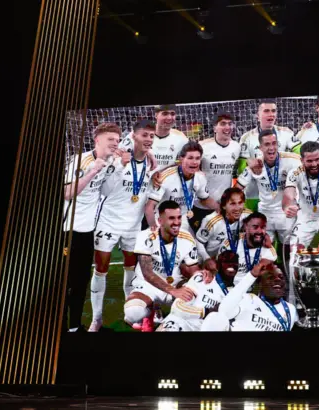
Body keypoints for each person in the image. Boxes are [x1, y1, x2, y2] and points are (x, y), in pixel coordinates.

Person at [88, 119, 157, 332]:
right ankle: (96, 319)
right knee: (101, 269)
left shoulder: (152, 165)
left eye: (151, 136)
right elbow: (104, 191)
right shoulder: (117, 158)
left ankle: (130, 313)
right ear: (133, 136)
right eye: (144, 135)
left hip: (133, 226)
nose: (148, 139)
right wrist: (120, 166)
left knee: (130, 269)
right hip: (108, 221)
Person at [63, 123, 122, 332]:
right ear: (97, 140)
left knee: (81, 282)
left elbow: (105, 191)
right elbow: (68, 193)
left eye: (117, 140)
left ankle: (75, 327)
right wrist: (92, 171)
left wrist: (115, 169)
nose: (115, 143)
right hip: (68, 232)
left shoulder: (109, 162)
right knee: (65, 284)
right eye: (110, 139)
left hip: (87, 231)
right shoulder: (81, 160)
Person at [124, 201, 208, 330]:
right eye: (171, 218)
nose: (177, 222)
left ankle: (168, 322)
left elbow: (193, 270)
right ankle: (152, 310)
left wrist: (201, 275)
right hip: (148, 286)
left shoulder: (187, 238)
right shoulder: (145, 237)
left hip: (175, 284)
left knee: (196, 300)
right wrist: (173, 291)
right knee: (133, 313)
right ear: (160, 221)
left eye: (179, 217)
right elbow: (148, 274)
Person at [236, 129, 302, 248]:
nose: (271, 147)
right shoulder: (255, 164)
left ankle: (285, 266)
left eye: (274, 143)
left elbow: (310, 171)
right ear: (260, 147)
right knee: (263, 249)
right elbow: (237, 189)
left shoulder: (292, 160)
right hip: (265, 214)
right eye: (267, 144)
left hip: (287, 213)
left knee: (288, 249)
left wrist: (299, 206)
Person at [200, 260, 298, 331]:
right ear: (260, 284)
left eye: (281, 277)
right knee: (214, 318)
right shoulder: (248, 300)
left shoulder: (290, 309)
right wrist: (252, 275)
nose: (277, 280)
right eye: (270, 277)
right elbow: (224, 311)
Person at [237, 99, 299, 211]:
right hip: (254, 193)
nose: (271, 114)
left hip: (282, 192)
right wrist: (248, 162)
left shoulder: (287, 133)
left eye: (273, 111)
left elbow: (299, 155)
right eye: (266, 111)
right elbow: (241, 167)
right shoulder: (247, 138)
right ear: (258, 115)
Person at [146, 141, 219, 233]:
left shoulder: (200, 177)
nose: (194, 162)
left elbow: (205, 199)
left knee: (195, 246)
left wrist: (220, 208)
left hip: (183, 219)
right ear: (181, 159)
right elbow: (149, 206)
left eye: (197, 158)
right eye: (190, 158)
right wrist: (154, 228)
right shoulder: (165, 177)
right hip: (163, 219)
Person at [157, 250, 238, 332]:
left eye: (235, 262)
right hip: (179, 323)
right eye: (226, 261)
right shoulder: (201, 278)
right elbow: (177, 307)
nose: (231, 265)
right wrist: (206, 312)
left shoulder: (235, 294)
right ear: (218, 265)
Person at [194, 111, 241, 230]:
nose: (227, 127)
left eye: (230, 124)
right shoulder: (203, 146)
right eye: (223, 124)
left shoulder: (236, 147)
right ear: (215, 128)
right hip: (202, 205)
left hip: (223, 205)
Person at [217, 212, 277, 287]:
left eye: (263, 227)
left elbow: (266, 270)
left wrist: (262, 265)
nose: (259, 231)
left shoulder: (268, 248)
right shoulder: (230, 244)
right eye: (255, 227)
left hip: (254, 290)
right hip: (229, 287)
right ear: (245, 226)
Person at [120, 104, 188, 168]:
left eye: (172, 114)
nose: (169, 117)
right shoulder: (137, 134)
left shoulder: (181, 139)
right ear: (156, 115)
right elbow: (119, 152)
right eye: (165, 113)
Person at [196, 188, 251, 263]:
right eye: (233, 204)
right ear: (224, 206)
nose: (237, 208)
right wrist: (207, 259)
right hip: (213, 260)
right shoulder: (211, 220)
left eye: (240, 203)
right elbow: (199, 242)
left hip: (236, 258)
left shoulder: (248, 216)